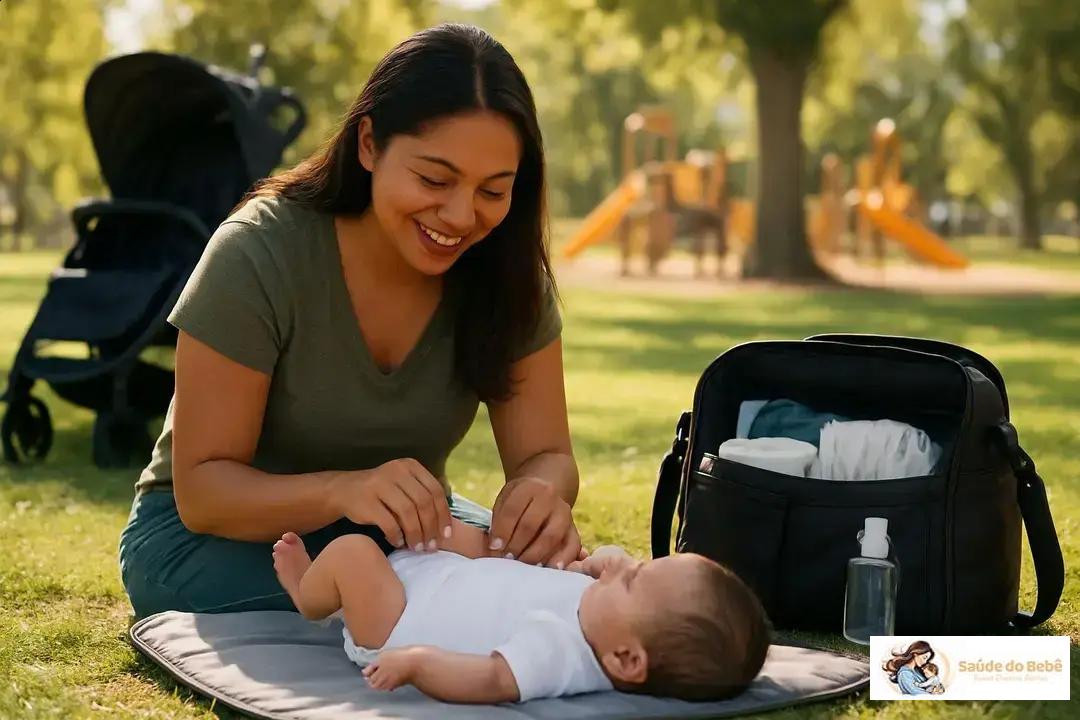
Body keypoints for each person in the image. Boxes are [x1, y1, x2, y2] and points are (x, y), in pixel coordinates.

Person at [118, 23, 582, 617]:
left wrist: (540, 491)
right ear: (369, 144)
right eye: (434, 180)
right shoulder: (259, 252)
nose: (462, 215)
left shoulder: (507, 275)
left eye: (494, 190)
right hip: (207, 542)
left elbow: (548, 454)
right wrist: (347, 489)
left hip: (393, 533)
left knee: (554, 588)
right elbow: (205, 495)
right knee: (429, 593)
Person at [271, 520, 771, 703]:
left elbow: (490, 679)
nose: (624, 571)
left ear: (625, 660)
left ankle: (307, 593)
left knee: (354, 553)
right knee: (471, 532)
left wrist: (418, 661)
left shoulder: (563, 655)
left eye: (635, 580)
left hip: (398, 622)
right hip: (438, 579)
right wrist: (598, 566)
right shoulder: (601, 618)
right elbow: (588, 573)